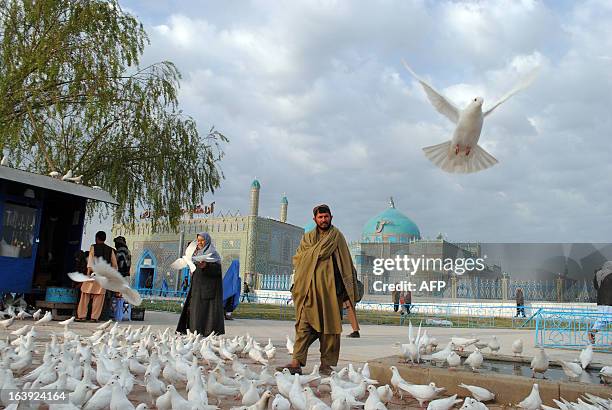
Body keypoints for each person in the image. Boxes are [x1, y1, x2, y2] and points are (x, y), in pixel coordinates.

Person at [278, 204, 359, 375]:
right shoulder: (307, 238)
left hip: (331, 293)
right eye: (320, 217)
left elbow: (346, 263)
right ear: (315, 219)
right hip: (309, 291)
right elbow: (298, 259)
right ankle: (296, 362)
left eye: (326, 217)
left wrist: (346, 289)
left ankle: (326, 364)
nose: (324, 220)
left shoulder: (337, 237)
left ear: (331, 217)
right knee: (303, 326)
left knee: (331, 330)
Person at [176, 232, 224, 336]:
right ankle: (192, 330)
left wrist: (206, 266)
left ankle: (205, 332)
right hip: (196, 287)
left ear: (207, 240)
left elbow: (217, 271)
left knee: (204, 312)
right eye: (198, 240)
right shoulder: (197, 253)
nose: (200, 242)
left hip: (207, 289)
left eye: (202, 240)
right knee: (193, 310)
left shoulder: (213, 253)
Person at [77, 231, 117, 322]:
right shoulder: (110, 250)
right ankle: (94, 318)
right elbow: (114, 265)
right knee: (99, 298)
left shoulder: (93, 247)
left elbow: (90, 262)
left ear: (96, 238)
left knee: (85, 295)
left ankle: (82, 316)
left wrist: (88, 274)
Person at [589, 262, 612, 344]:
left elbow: (596, 287)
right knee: (605, 319)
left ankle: (592, 332)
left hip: (600, 302)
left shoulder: (597, 275)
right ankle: (592, 332)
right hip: (610, 301)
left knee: (602, 319)